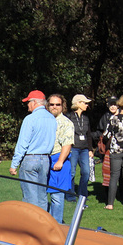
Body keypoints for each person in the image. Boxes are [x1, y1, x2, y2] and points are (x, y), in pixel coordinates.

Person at [9, 90, 56, 211]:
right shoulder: (52, 118)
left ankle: (30, 224)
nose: (27, 105)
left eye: (29, 102)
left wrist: (14, 164)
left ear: (35, 102)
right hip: (45, 159)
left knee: (30, 196)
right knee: (41, 195)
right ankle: (42, 223)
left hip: (30, 158)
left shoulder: (30, 119)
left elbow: (22, 143)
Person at [46, 94, 74, 223]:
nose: (54, 107)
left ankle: (56, 226)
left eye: (58, 104)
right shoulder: (45, 120)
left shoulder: (66, 123)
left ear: (63, 106)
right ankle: (46, 223)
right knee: (42, 196)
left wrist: (60, 161)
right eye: (52, 104)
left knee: (57, 197)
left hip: (58, 160)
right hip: (44, 160)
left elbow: (67, 144)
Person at [66, 94, 94, 200]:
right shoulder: (69, 117)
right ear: (78, 103)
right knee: (72, 172)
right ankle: (70, 195)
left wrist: (90, 149)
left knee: (86, 172)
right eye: (85, 103)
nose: (87, 105)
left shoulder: (86, 118)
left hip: (84, 149)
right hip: (73, 148)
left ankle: (83, 195)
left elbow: (89, 134)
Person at [97, 96, 118, 188]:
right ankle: (108, 193)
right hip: (108, 148)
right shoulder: (105, 116)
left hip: (120, 148)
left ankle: (122, 194)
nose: (113, 106)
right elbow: (99, 131)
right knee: (107, 172)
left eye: (114, 104)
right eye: (111, 104)